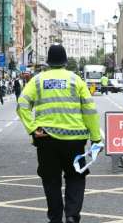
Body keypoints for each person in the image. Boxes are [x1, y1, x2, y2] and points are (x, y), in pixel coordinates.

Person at [17, 45, 101, 223]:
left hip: (46, 139)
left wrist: (33, 128)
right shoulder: (76, 80)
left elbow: (22, 105)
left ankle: (55, 218)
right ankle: (72, 214)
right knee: (76, 177)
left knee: (51, 180)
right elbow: (90, 110)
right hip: (75, 140)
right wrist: (95, 138)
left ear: (48, 62)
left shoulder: (37, 80)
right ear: (65, 61)